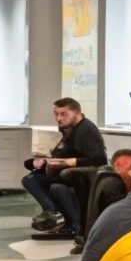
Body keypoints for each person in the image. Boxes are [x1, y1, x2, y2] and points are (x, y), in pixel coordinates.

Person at [22, 97, 107, 239]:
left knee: (53, 185)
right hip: (65, 174)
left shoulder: (86, 129)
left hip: (80, 177)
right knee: (31, 179)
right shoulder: (68, 130)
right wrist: (45, 162)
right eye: (56, 114)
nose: (58, 118)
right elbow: (62, 153)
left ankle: (68, 223)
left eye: (63, 114)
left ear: (77, 113)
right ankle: (53, 213)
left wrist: (66, 163)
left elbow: (99, 159)